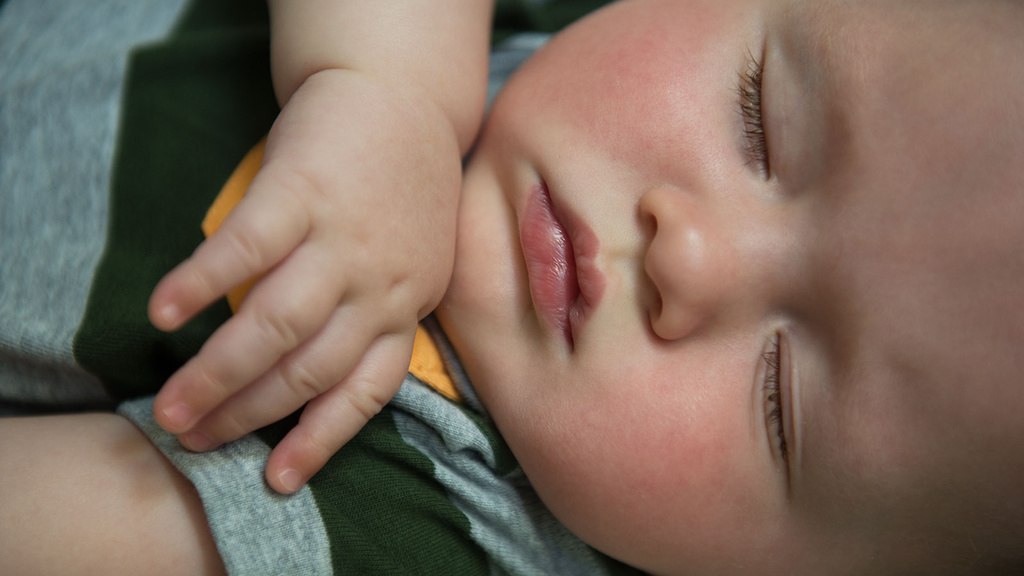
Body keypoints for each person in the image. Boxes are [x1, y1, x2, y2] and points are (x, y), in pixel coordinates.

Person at [3, 0, 1024, 574]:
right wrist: (389, 87)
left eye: (779, 408)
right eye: (761, 117)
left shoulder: (438, 529)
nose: (689, 257)